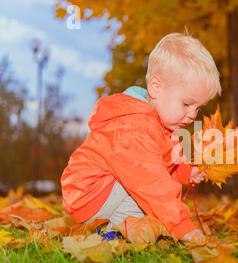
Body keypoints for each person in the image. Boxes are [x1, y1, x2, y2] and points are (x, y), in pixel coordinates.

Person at [60, 32, 222, 243]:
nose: (192, 114)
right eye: (186, 104)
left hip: (101, 192)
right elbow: (152, 181)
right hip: (89, 194)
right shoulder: (134, 127)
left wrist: (186, 171)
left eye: (197, 108)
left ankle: (114, 229)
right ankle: (114, 234)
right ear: (156, 87)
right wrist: (183, 227)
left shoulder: (160, 125)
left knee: (150, 193)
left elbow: (165, 160)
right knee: (148, 194)